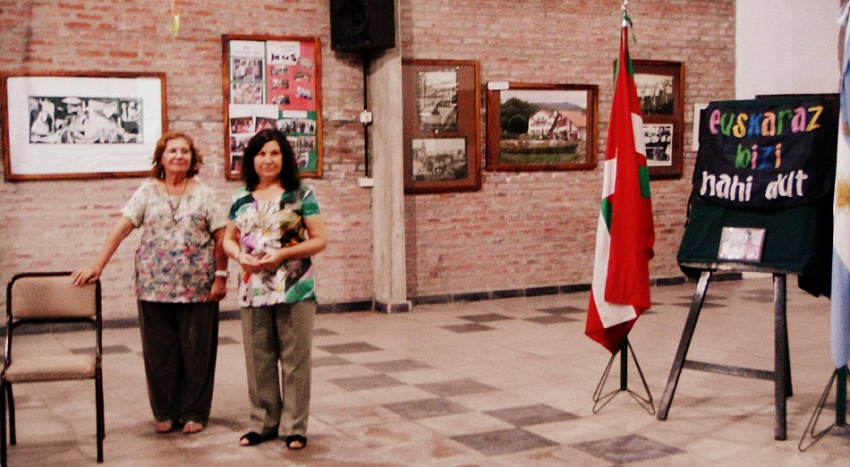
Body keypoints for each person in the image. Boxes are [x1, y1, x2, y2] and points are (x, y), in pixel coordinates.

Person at [71, 131, 228, 435]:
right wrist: (98, 265)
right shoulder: (146, 192)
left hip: (198, 286)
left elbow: (221, 237)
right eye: (172, 151)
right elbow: (121, 229)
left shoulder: (206, 193)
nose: (179, 156)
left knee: (197, 354)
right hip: (153, 285)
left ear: (193, 159)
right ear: (161, 158)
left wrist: (221, 277)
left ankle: (194, 412)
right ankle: (165, 411)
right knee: (159, 353)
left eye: (185, 151)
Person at [222, 128, 326, 450]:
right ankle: (263, 422)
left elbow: (320, 239)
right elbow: (228, 238)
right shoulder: (240, 197)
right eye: (261, 153)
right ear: (251, 159)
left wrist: (282, 254)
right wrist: (239, 255)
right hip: (252, 287)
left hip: (295, 287)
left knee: (295, 359)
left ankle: (294, 426)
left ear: (285, 158)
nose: (268, 160)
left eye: (275, 153)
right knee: (259, 358)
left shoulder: (301, 195)